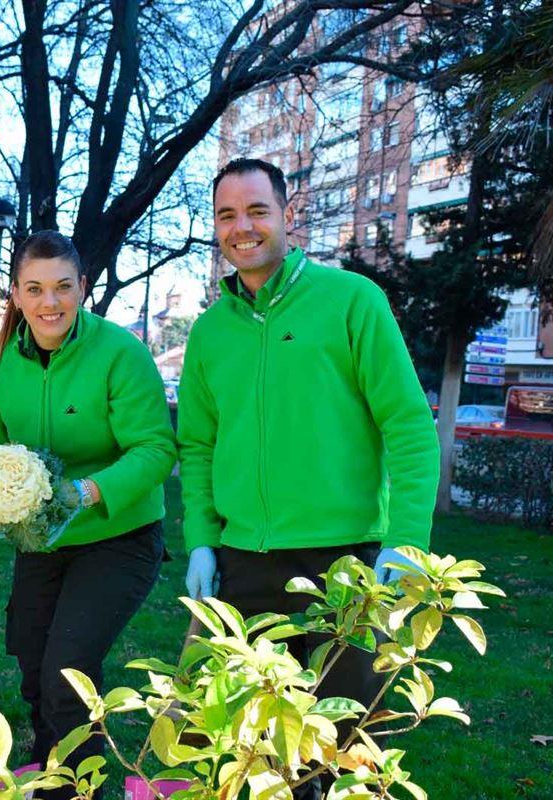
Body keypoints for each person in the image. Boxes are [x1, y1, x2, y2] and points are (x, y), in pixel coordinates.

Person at [177, 158, 440, 797]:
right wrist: (201, 540)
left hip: (344, 567)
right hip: (242, 568)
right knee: (231, 755)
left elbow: (410, 430)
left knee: (341, 759)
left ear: (288, 215)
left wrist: (404, 543)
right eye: (227, 215)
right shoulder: (210, 332)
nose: (243, 227)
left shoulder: (353, 301)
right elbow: (198, 446)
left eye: (258, 211)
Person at [0, 230, 178, 797]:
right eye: (34, 289)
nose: (49, 302)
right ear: (15, 294)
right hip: (44, 541)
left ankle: (73, 792)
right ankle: (52, 778)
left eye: (62, 286)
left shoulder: (119, 352)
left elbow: (157, 450)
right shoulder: (0, 361)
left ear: (83, 286)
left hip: (119, 537)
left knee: (68, 674)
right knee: (36, 673)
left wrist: (85, 492)